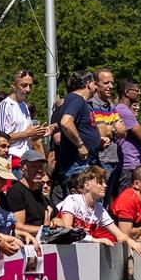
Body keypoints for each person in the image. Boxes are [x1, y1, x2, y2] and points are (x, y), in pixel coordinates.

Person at [56, 166, 141, 255]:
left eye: (105, 182)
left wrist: (130, 241)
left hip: (80, 254)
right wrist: (94, 240)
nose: (105, 185)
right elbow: (67, 231)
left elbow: (119, 234)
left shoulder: (99, 208)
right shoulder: (72, 200)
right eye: (100, 182)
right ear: (87, 185)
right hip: (57, 253)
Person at [53, 71, 102, 200]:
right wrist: (80, 145)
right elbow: (66, 122)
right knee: (82, 206)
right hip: (78, 163)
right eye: (94, 83)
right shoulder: (76, 99)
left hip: (85, 162)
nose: (96, 87)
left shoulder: (78, 101)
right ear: (87, 84)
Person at [0, 69, 49, 160]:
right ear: (13, 86)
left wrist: (39, 133)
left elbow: (28, 135)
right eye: (24, 85)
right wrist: (27, 134)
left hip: (26, 158)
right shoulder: (5, 106)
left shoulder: (24, 106)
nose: (28, 89)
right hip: (11, 158)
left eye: (30, 85)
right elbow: (0, 139)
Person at [6, 149, 49, 237]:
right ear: (22, 168)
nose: (39, 170)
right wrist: (46, 230)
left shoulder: (38, 192)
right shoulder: (15, 192)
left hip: (41, 239)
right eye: (34, 166)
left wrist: (55, 221)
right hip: (24, 242)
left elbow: (47, 216)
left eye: (40, 166)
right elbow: (18, 226)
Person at [110, 167, 141, 240]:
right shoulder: (126, 199)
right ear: (136, 184)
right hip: (105, 246)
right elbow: (125, 236)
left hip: (130, 246)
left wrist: (135, 234)